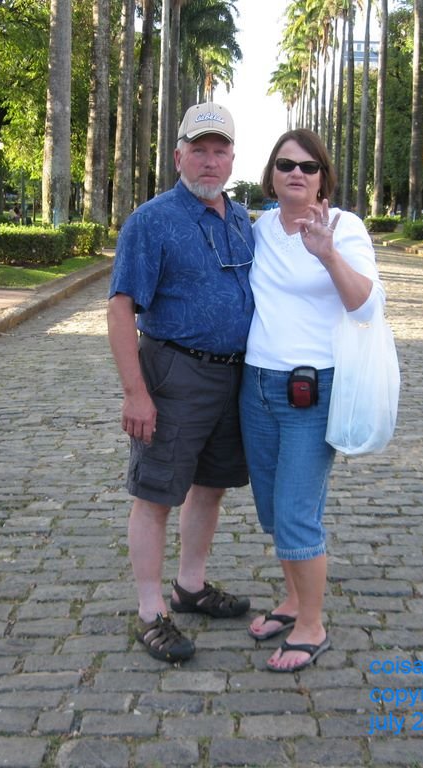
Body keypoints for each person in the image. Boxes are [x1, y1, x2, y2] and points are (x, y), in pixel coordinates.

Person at [107, 102, 255, 663]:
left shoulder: (241, 220)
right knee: (155, 493)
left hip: (232, 375)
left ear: (233, 158)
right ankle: (150, 612)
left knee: (210, 486)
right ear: (178, 155)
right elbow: (121, 309)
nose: (210, 162)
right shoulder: (152, 220)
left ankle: (190, 587)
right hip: (173, 372)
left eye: (220, 151)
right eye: (199, 149)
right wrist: (135, 392)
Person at [241, 128, 383, 673]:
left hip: (311, 391)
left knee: (299, 512)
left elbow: (365, 305)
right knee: (275, 509)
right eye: (284, 165)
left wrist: (326, 256)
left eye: (308, 166)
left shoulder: (343, 228)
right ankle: (295, 599)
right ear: (271, 176)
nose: (296, 173)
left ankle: (311, 625)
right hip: (256, 386)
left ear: (323, 175)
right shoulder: (259, 230)